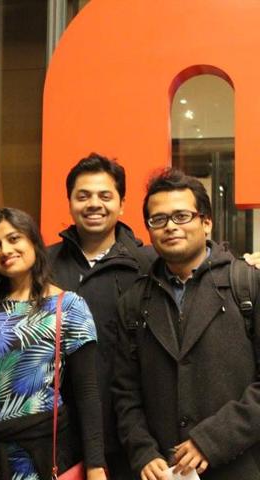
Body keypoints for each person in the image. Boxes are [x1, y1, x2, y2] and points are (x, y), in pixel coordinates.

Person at [112, 168, 260, 480]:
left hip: (242, 465)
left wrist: (212, 440)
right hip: (165, 470)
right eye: (159, 219)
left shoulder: (247, 284)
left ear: (206, 223)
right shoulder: (135, 301)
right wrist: (142, 451)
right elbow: (125, 392)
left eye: (182, 216)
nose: (170, 227)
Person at [0, 207, 107, 480]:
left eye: (14, 239)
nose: (5, 250)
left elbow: (88, 392)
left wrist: (96, 466)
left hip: (44, 451)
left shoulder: (68, 306)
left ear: (34, 242)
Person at [46, 153, 153, 479]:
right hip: (60, 435)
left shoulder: (148, 264)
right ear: (69, 203)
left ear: (121, 204)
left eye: (105, 196)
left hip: (134, 435)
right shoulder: (44, 265)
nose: (94, 204)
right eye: (83, 196)